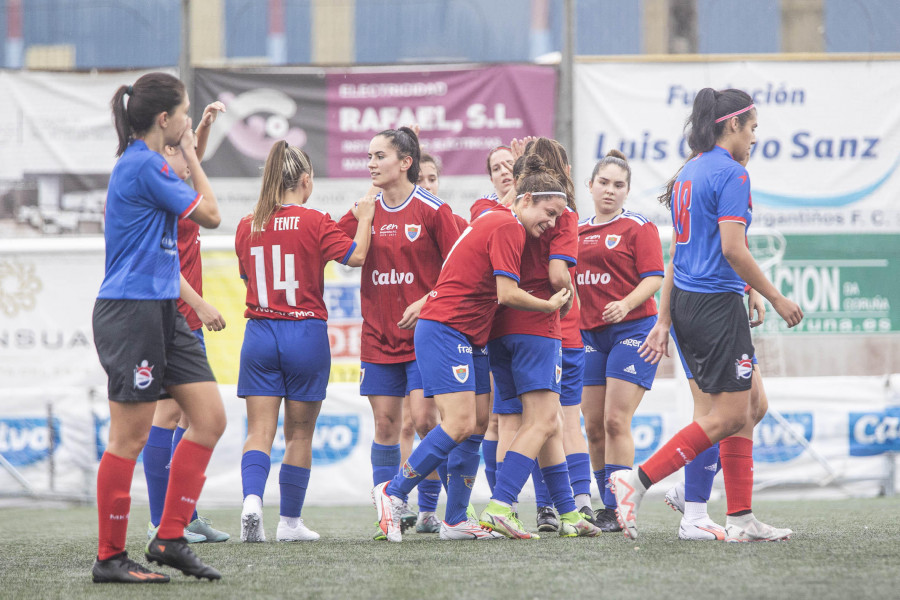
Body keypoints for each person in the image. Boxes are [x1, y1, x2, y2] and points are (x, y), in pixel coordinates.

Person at [610, 88, 803, 542]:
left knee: (752, 406)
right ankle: (636, 481)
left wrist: (666, 317)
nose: (755, 138)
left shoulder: (689, 172)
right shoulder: (733, 175)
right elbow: (733, 249)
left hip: (693, 304)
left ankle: (740, 518)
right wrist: (774, 296)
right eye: (753, 128)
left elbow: (680, 252)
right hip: (714, 307)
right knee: (727, 415)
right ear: (732, 125)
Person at [373, 153, 571, 542]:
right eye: (548, 213)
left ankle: (456, 519)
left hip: (471, 335)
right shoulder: (506, 225)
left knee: (479, 423)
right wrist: (548, 305)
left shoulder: (498, 220)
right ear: (526, 199)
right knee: (460, 422)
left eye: (558, 218)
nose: (551, 224)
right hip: (446, 329)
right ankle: (393, 493)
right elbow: (507, 293)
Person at [91, 72, 224, 583]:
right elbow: (210, 213)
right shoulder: (143, 164)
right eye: (186, 113)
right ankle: (109, 558)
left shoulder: (148, 162)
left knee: (209, 418)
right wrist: (191, 152)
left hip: (162, 308)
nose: (189, 121)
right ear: (164, 119)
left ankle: (169, 538)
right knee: (130, 436)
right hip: (131, 311)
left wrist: (191, 149)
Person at [236, 141, 375, 543]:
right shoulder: (314, 220)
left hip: (260, 334)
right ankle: (290, 523)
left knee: (258, 432)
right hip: (305, 333)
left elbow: (249, 279)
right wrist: (364, 217)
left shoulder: (247, 225)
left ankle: (251, 502)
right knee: (299, 435)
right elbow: (357, 255)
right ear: (306, 180)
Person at [337, 128, 460, 539]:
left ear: (405, 162)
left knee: (426, 421)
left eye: (379, 156)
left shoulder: (433, 210)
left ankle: (438, 508)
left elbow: (463, 271)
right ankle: (387, 512)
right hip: (377, 337)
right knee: (386, 425)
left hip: (425, 338)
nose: (370, 163)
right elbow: (333, 246)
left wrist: (426, 302)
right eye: (369, 156)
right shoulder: (364, 208)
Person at [479, 140, 599, 540]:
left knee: (515, 422)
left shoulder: (497, 211)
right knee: (550, 420)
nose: (552, 219)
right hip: (536, 327)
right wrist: (562, 300)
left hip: (498, 329)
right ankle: (500, 505)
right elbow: (556, 276)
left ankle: (565, 513)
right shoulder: (562, 214)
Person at [141, 101, 230, 545]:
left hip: (182, 313)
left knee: (186, 418)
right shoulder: (157, 186)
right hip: (170, 312)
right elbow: (161, 263)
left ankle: (183, 514)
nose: (187, 155)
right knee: (170, 412)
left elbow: (188, 163)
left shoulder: (170, 180)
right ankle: (163, 522)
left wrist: (204, 133)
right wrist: (201, 304)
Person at [576, 150, 664, 532]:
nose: (610, 190)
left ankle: (617, 507)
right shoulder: (575, 231)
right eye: (604, 183)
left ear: (627, 191)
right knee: (593, 426)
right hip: (591, 335)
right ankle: (606, 507)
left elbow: (655, 277)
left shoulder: (638, 227)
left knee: (615, 420)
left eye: (618, 185)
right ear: (590, 186)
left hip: (634, 331)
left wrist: (625, 304)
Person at [470, 145, 515, 498]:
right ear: (490, 177)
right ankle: (500, 500)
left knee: (547, 419)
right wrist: (524, 183)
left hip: (531, 322)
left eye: (510, 165)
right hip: (493, 322)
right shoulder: (484, 207)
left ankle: (548, 507)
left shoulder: (540, 204)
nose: (504, 171)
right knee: (495, 418)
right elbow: (493, 222)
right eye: (497, 167)